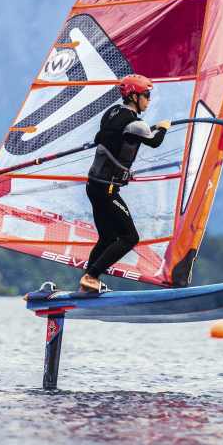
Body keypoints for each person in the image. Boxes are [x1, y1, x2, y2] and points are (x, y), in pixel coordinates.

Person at [79, 74, 170, 293]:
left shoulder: (111, 113)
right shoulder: (136, 123)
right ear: (133, 96)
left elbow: (122, 135)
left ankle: (87, 282)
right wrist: (164, 128)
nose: (148, 100)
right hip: (107, 189)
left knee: (108, 237)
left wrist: (151, 127)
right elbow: (154, 142)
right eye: (146, 95)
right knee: (130, 237)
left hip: (93, 185)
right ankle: (91, 277)